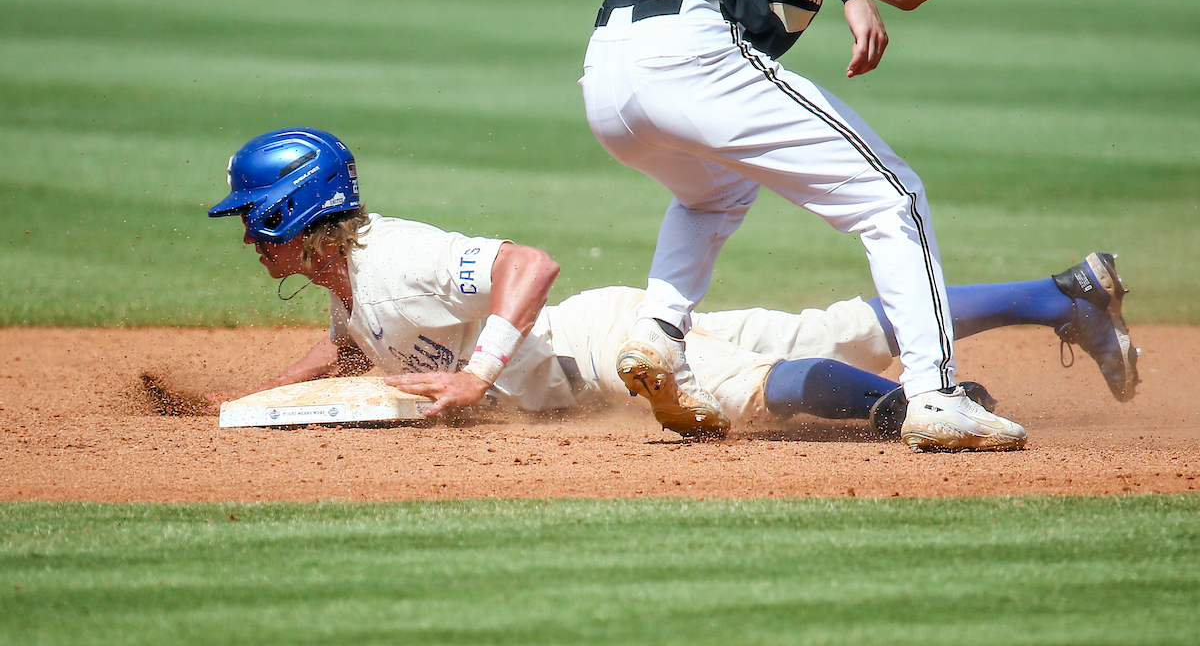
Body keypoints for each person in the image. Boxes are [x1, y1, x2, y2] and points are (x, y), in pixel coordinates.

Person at [208, 129, 1139, 448]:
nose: (248, 235)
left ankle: (912, 408)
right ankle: (1060, 296)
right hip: (588, 333)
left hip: (601, 348)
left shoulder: (395, 254)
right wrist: (254, 401)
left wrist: (475, 374)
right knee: (839, 324)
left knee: (740, 391)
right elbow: (351, 347)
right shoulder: (349, 284)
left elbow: (526, 266)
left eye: (255, 217)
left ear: (298, 212)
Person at [578, 0, 1067, 450]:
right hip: (689, 51)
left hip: (609, 77)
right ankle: (936, 396)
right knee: (893, 199)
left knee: (716, 193)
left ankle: (657, 334)